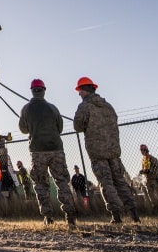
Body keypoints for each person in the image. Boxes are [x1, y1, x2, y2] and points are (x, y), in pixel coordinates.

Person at [73, 77, 139, 224]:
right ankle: (134, 214)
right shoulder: (108, 106)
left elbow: (77, 126)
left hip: (98, 152)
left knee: (106, 183)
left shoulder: (84, 106)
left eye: (80, 91)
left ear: (85, 90)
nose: (79, 94)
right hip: (113, 151)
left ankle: (116, 215)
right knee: (120, 182)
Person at [18, 79, 78, 226]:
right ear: (44, 90)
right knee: (62, 182)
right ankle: (70, 216)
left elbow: (23, 129)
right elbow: (60, 128)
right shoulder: (53, 108)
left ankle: (48, 217)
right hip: (56, 149)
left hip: (38, 151)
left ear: (32, 91)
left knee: (40, 184)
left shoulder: (26, 109)